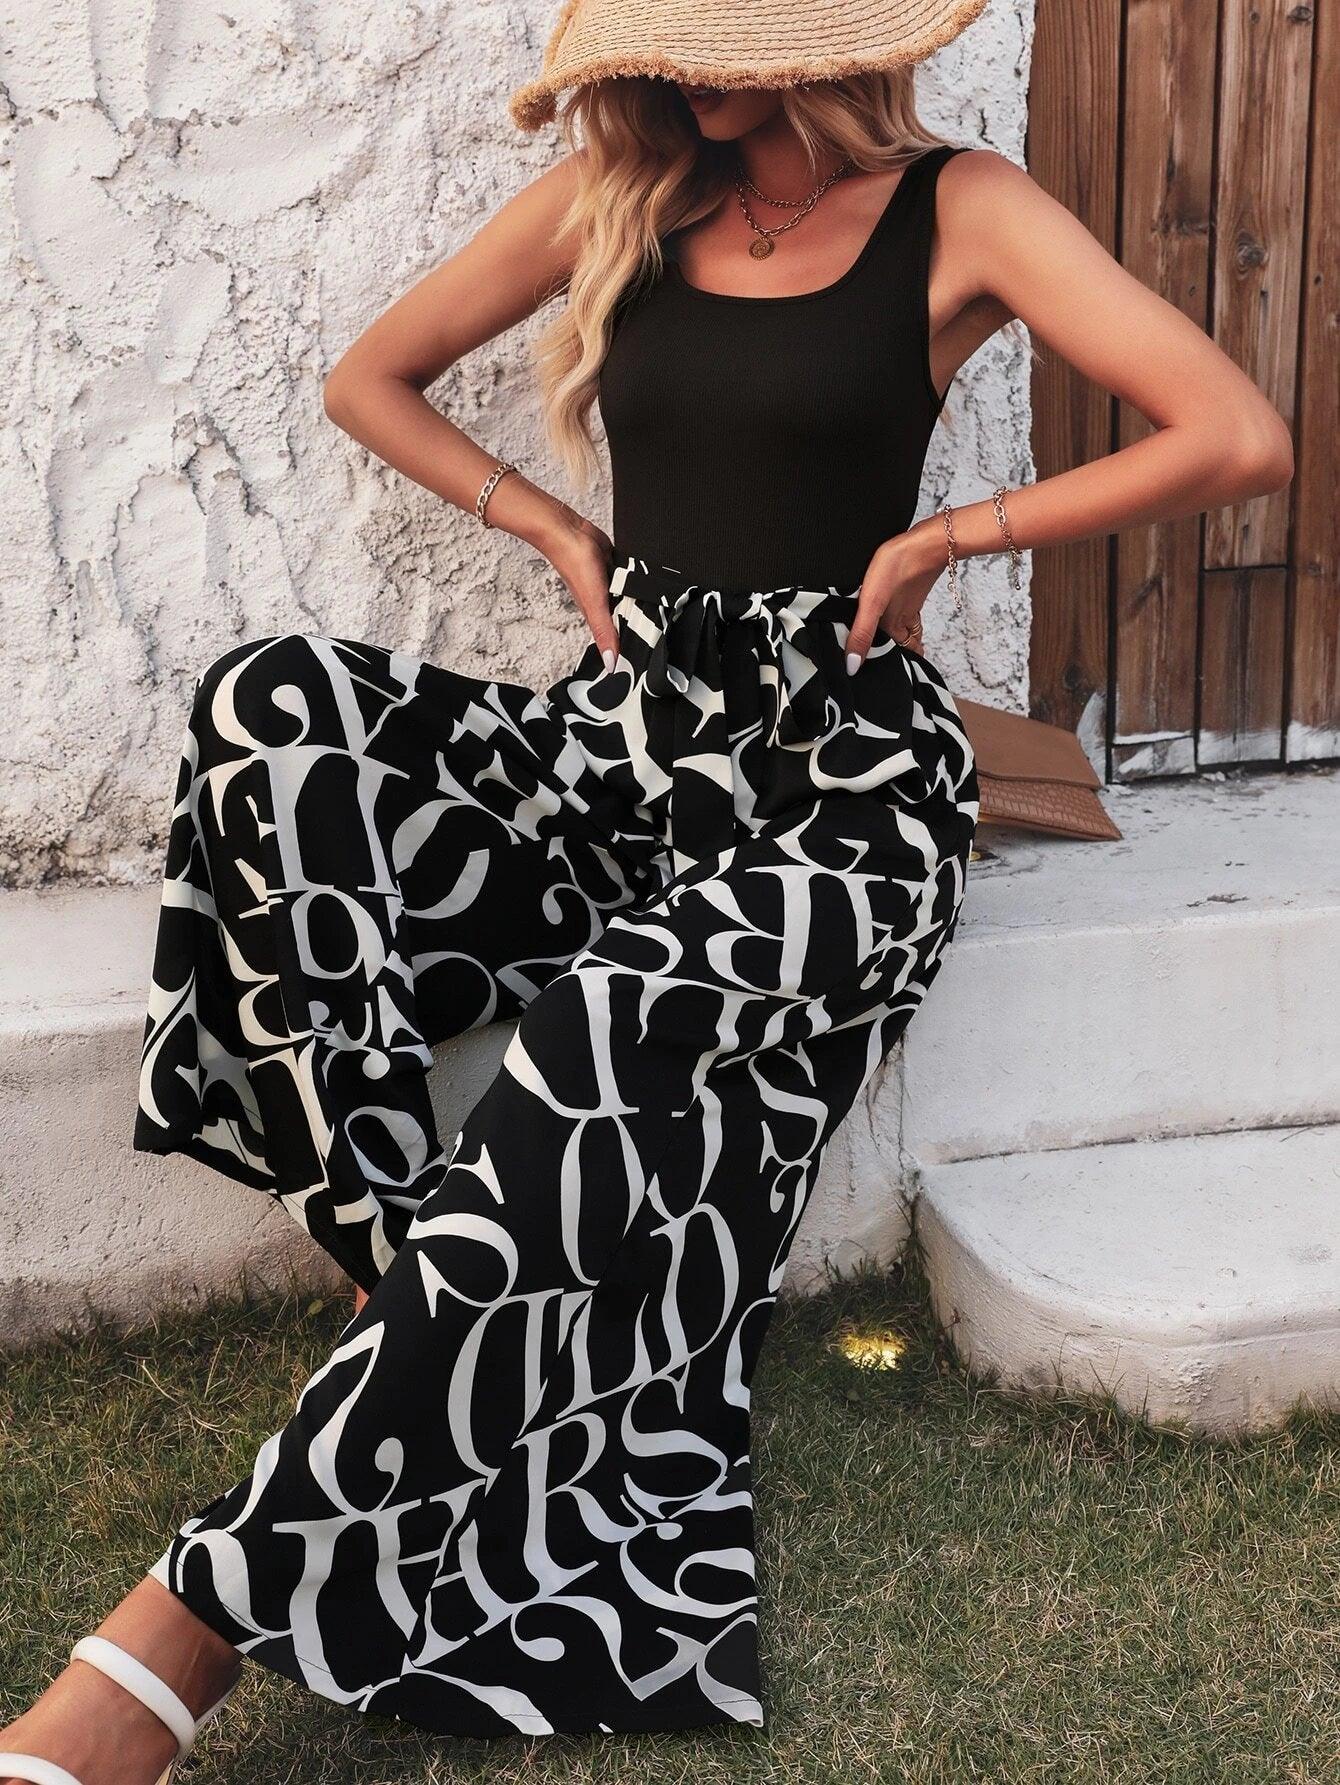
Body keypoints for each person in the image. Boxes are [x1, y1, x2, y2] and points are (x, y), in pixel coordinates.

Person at [1, 0, 1294, 1778]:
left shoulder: (965, 208)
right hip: (624, 748)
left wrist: (951, 535)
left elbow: (1237, 431)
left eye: (719, 39)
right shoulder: (626, 194)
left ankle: (171, 1650)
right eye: (667, 37)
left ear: (818, 39)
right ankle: (411, 1272)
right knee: (269, 714)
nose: (680, 71)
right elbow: (368, 376)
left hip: (843, 797)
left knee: (604, 1029)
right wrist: (546, 523)